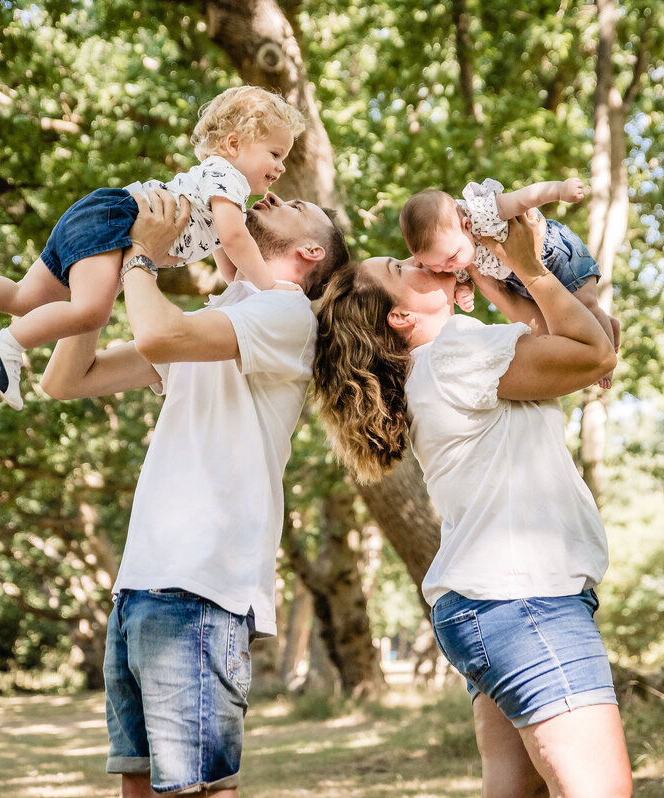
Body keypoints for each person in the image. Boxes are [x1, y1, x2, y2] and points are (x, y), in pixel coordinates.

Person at [312, 211, 630, 797]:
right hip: (526, 600)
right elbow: (594, 356)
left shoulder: (441, 367)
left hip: (491, 605)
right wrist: (527, 266)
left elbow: (566, 340)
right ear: (402, 316)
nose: (419, 259)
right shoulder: (457, 354)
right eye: (401, 267)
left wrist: (495, 283)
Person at [42, 188, 348, 797]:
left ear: (310, 250)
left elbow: (159, 337)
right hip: (141, 585)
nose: (274, 193)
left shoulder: (285, 314)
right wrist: (94, 284)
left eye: (296, 204)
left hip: (202, 588)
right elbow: (66, 379)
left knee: (198, 790)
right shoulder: (219, 318)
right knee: (139, 786)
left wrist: (139, 258)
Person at [0, 86, 305, 409]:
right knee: (91, 311)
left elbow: (227, 260)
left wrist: (244, 281)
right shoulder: (228, 181)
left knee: (24, 296)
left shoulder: (220, 191)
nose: (281, 166)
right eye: (274, 153)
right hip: (118, 221)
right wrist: (269, 286)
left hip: (101, 211)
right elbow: (235, 239)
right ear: (234, 146)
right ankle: (5, 345)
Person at [400, 176, 619, 387]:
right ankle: (603, 325)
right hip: (521, 281)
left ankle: (606, 363)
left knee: (587, 305)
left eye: (450, 259)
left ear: (466, 225)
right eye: (436, 266)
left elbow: (524, 198)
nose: (445, 268)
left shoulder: (482, 213)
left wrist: (560, 190)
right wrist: (463, 292)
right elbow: (464, 281)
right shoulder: (453, 255)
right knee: (562, 325)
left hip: (555, 254)